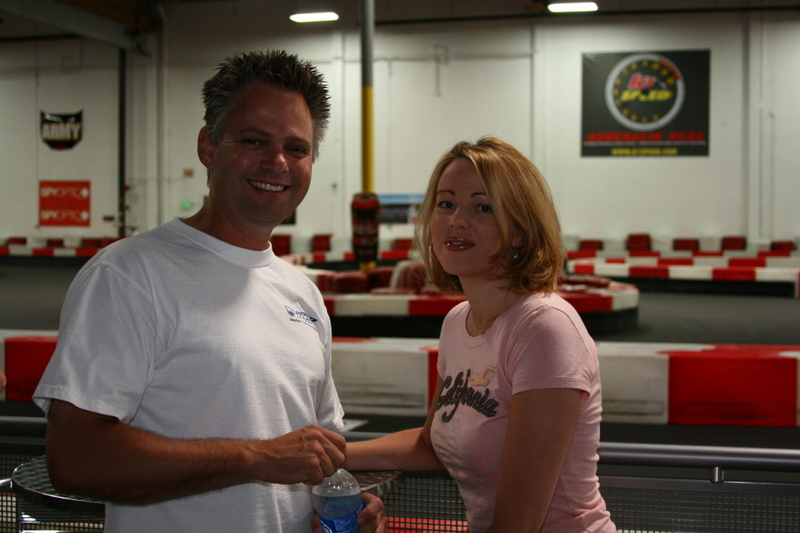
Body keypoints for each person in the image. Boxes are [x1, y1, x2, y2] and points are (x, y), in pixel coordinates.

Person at [33, 50, 385, 533]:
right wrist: (254, 458)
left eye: (297, 148)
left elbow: (316, 456)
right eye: (253, 140)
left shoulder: (301, 294)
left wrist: (348, 502)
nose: (277, 162)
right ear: (208, 146)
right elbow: (76, 458)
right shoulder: (129, 274)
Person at [345, 137, 617, 533]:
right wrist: (331, 454)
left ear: (519, 231)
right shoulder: (458, 322)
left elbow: (516, 526)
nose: (457, 220)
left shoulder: (544, 328)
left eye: (483, 207)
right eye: (446, 204)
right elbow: (430, 445)